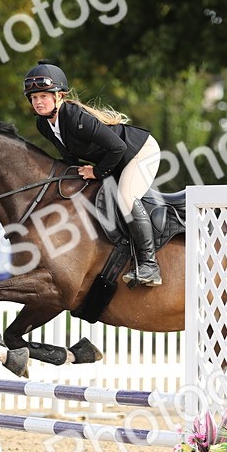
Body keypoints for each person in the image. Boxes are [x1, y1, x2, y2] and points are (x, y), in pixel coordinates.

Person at [23, 60, 164, 286]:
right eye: (34, 98)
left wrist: (97, 173)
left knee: (126, 197)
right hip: (116, 159)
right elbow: (69, 159)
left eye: (44, 96)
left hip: (140, 152)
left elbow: (118, 147)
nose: (38, 102)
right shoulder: (44, 124)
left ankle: (150, 266)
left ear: (59, 96)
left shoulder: (75, 117)